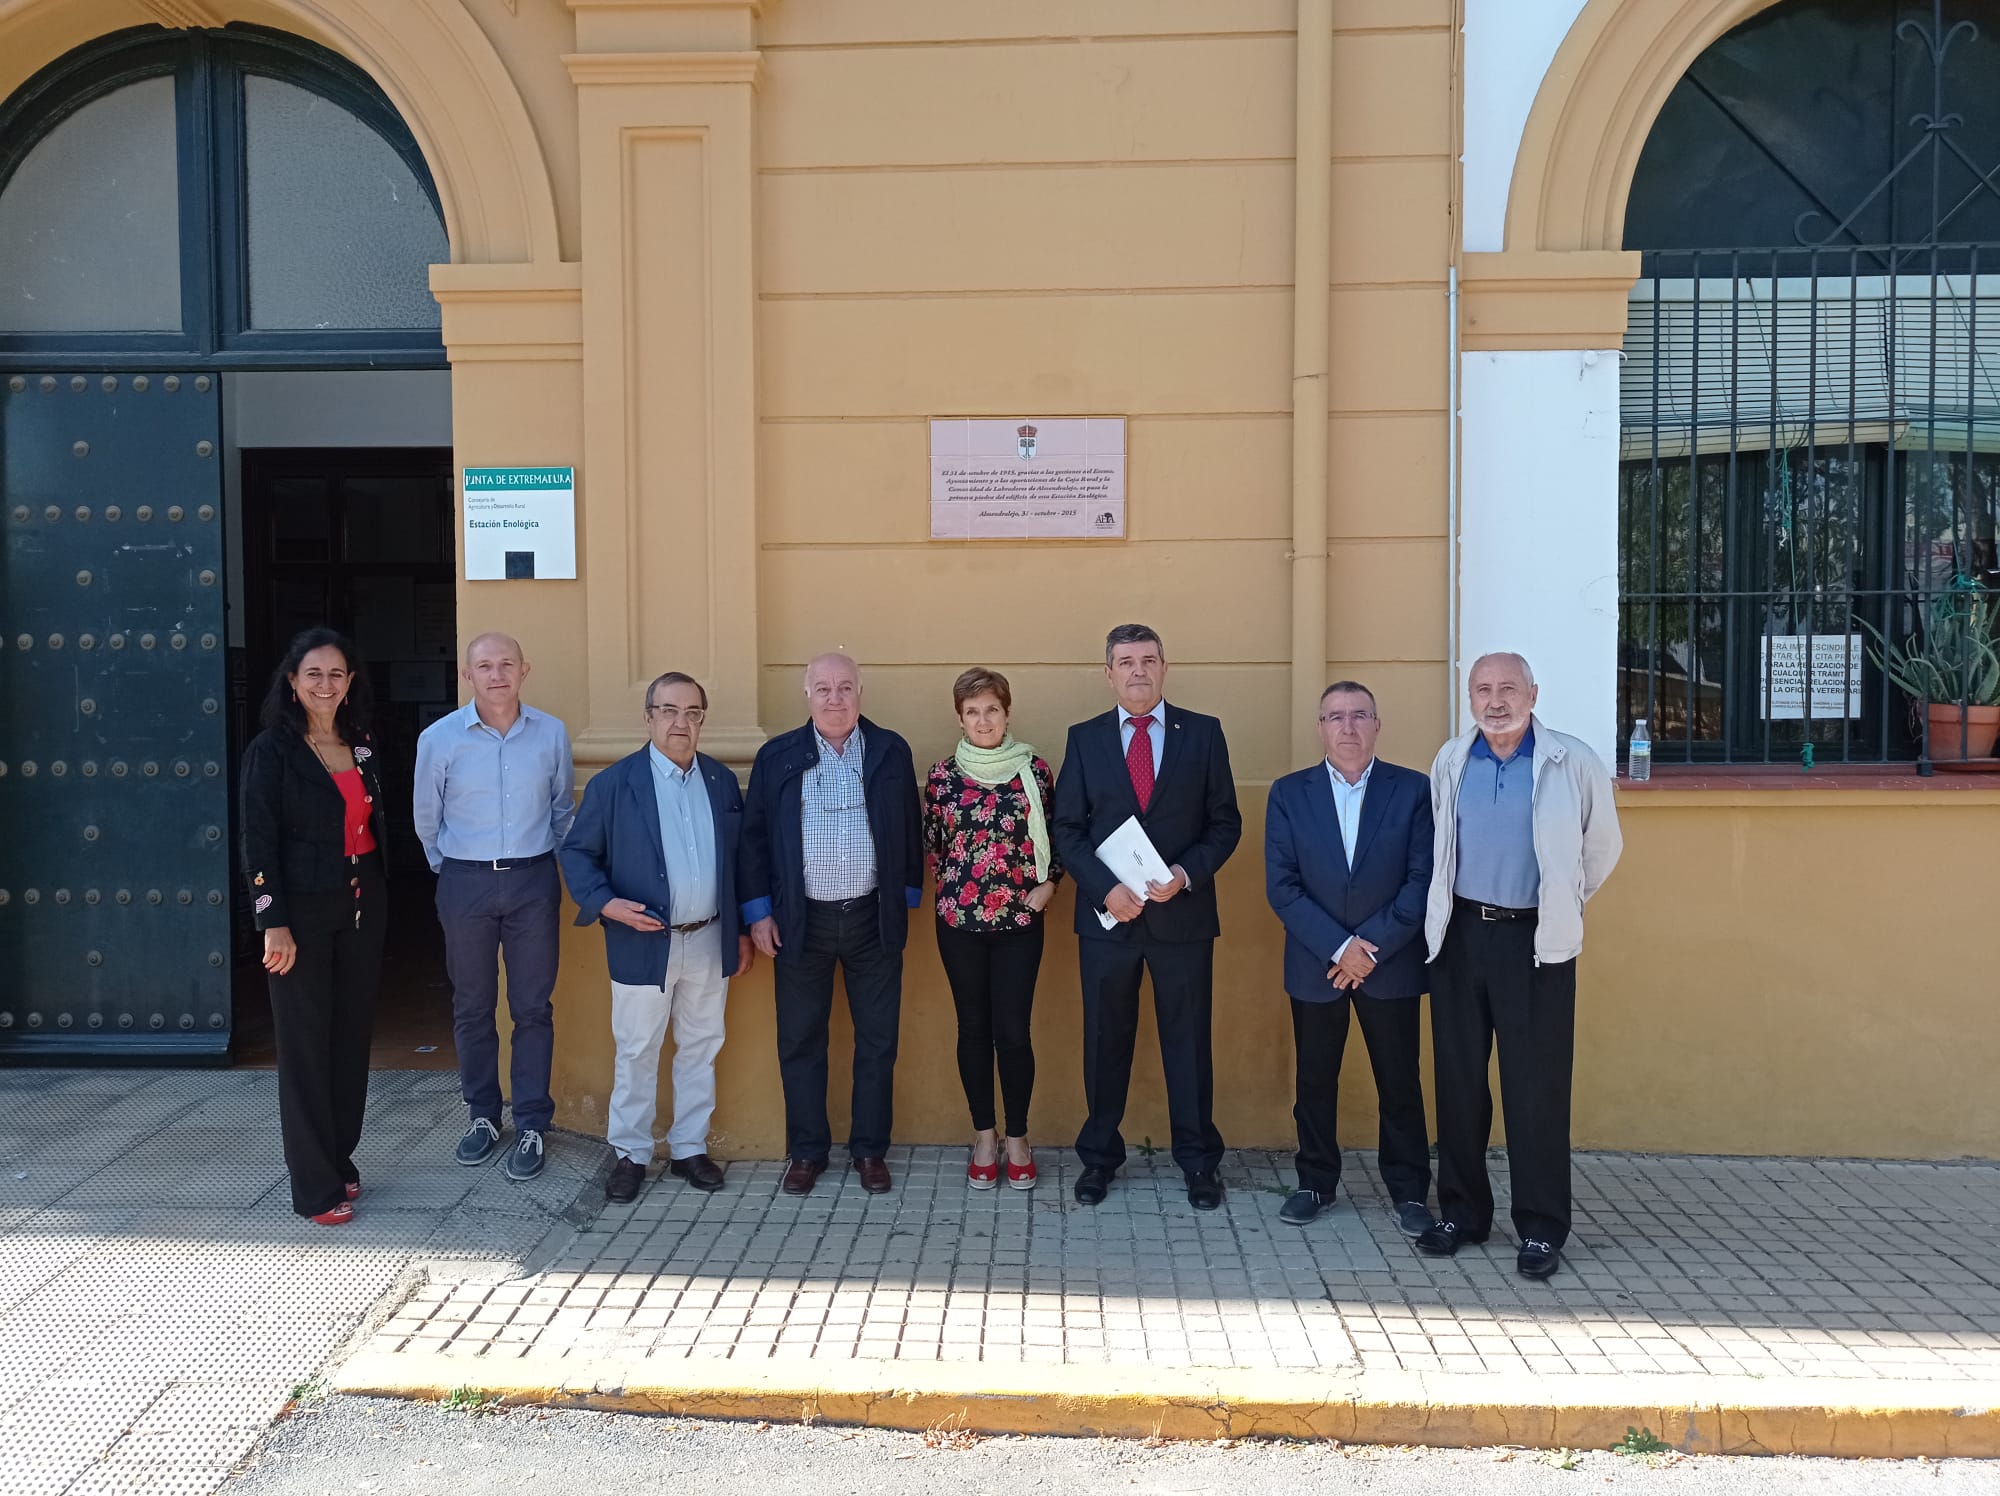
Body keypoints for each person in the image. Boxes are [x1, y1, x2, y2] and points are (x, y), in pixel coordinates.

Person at [1416, 651, 1623, 1280]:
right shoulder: (1451, 759)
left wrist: (1559, 902)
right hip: (1459, 939)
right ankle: (1463, 1213)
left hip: (1536, 944)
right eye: (1483, 689)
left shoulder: (1570, 760)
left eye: (1508, 687)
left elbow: (1601, 846)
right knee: (1458, 1084)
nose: (1496, 700)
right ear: (1469, 696)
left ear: (1534, 692)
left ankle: (1540, 1228)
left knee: (1535, 1090)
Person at [1051, 623, 1242, 1211]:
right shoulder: (1084, 739)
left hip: (1181, 920)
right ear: (1108, 673)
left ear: (1165, 667)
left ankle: (1199, 1163)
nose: (1138, 670)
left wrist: (1186, 875)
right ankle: (1099, 1160)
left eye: (1149, 659)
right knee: (1106, 1042)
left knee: (1188, 1044)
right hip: (1109, 922)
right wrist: (1105, 889)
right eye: (1126, 661)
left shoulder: (1203, 734)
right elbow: (1068, 829)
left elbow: (1225, 823)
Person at [559, 672, 752, 1203]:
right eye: (668, 710)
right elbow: (577, 853)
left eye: (692, 713)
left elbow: (738, 863)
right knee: (638, 1048)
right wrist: (606, 903)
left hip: (709, 939)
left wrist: (739, 930)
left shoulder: (719, 781)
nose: (680, 722)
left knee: (701, 1045)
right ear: (648, 718)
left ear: (701, 721)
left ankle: (689, 1148)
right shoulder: (614, 784)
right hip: (642, 942)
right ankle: (630, 1154)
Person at [739, 652, 923, 1196]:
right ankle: (806, 1152)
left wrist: (902, 900)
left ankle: (870, 1150)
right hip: (801, 921)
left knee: (878, 1041)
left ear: (860, 692)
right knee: (799, 1040)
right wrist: (757, 915)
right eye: (823, 688)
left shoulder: (889, 750)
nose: (835, 698)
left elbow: (910, 830)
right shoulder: (778, 756)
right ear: (807, 696)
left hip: (872, 919)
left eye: (845, 687)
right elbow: (752, 841)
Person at [1264, 681, 1435, 1232]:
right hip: (1319, 965)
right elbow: (1282, 886)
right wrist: (1342, 948)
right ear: (1320, 727)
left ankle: (1409, 1192)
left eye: (1360, 715)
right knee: (1315, 1083)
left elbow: (1422, 880)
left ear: (1377, 724)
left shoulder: (1413, 791)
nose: (1348, 727)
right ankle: (1315, 1182)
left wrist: (1370, 949)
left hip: (1392, 964)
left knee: (1400, 1084)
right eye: (1336, 717)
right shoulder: (1290, 794)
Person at [413, 632, 575, 1182]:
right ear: (467, 675)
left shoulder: (551, 733)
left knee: (533, 1008)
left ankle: (531, 1121)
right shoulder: (439, 739)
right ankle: (483, 1116)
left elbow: (561, 809)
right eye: (485, 665)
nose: (497, 673)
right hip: (465, 882)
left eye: (507, 663)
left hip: (533, 880)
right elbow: (426, 820)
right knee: (473, 1006)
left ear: (525, 670)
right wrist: (456, 870)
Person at [239, 628, 388, 1226]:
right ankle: (314, 1186)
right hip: (298, 914)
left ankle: (339, 1159)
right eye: (314, 675)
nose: (326, 685)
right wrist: (271, 922)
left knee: (350, 1040)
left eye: (337, 674)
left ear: (351, 684)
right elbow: (257, 841)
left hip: (361, 906)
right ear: (293, 683)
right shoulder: (271, 751)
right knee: (304, 1047)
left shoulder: (365, 744)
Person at [922, 668, 1062, 1191]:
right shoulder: (942, 776)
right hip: (959, 924)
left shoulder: (1035, 771)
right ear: (960, 718)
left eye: (992, 710)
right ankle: (985, 1136)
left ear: (1007, 714)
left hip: (1020, 922)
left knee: (1014, 1032)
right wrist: (962, 891)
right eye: (973, 711)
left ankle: (1020, 1138)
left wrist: (1049, 885)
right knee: (973, 1030)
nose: (984, 720)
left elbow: (1057, 834)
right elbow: (934, 844)